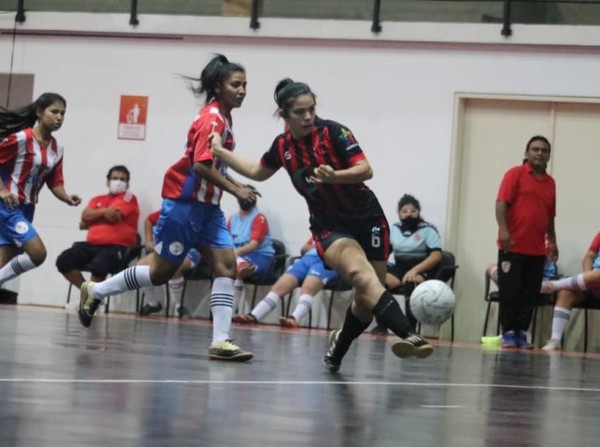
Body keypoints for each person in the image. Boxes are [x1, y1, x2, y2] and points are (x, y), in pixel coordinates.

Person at [210, 78, 433, 372]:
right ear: (285, 116)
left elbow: (366, 170)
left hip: (369, 220)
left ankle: (339, 344)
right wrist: (219, 151)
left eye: (311, 110)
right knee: (361, 275)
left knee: (367, 299)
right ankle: (410, 335)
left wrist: (335, 176)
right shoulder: (282, 147)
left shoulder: (334, 132)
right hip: (330, 227)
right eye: (299, 112)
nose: (307, 117)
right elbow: (256, 171)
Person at [77, 54, 258, 362]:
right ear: (218, 87)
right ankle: (97, 291)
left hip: (208, 210)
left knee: (227, 265)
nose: (242, 90)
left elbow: (214, 166)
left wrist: (238, 183)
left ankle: (221, 340)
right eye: (235, 84)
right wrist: (238, 189)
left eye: (245, 85)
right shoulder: (211, 119)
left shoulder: (225, 119)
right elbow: (201, 167)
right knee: (160, 273)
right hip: (184, 208)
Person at [0, 93, 81, 289]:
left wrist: (67, 198)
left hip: (28, 210)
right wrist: (2, 190)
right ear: (39, 112)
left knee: (4, 264)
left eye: (63, 113)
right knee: (38, 253)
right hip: (9, 206)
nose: (59, 117)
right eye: (54, 112)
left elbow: (55, 182)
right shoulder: (20, 139)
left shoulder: (57, 148)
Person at [495, 135, 558, 349]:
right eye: (535, 149)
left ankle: (522, 331)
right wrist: (503, 230)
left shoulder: (550, 183)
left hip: (537, 249)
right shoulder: (514, 175)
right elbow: (501, 203)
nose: (539, 153)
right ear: (526, 153)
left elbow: (550, 216)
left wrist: (553, 241)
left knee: (530, 292)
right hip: (512, 246)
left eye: (544, 150)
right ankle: (508, 332)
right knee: (510, 290)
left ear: (548, 155)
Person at [56, 165, 140, 291]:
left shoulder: (129, 197)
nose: (118, 182)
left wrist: (93, 219)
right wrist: (102, 213)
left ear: (127, 184)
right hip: (92, 245)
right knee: (64, 260)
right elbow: (84, 216)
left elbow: (113, 216)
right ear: (108, 181)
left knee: (99, 264)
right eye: (115, 178)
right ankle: (89, 293)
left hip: (117, 247)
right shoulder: (97, 199)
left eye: (122, 179)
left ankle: (90, 301)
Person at [370, 194, 443, 335]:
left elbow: (437, 255)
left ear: (418, 212)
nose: (409, 214)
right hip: (400, 267)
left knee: (411, 282)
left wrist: (415, 270)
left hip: (422, 267)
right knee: (380, 282)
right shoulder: (394, 229)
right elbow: (383, 254)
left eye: (413, 211)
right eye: (404, 211)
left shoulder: (428, 229)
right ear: (399, 214)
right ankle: (382, 325)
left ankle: (409, 329)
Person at [233, 236, 338, 328]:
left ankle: (294, 318)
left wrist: (322, 248)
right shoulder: (322, 228)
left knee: (308, 288)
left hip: (326, 262)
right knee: (278, 287)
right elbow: (304, 248)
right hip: (307, 259)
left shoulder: (344, 228)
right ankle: (253, 316)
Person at [540, 230, 600, 351]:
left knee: (597, 276)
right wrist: (588, 276)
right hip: (594, 281)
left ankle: (552, 285)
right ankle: (555, 340)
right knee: (566, 292)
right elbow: (588, 257)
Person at [138, 209, 198, 318]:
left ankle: (179, 307)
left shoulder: (198, 211)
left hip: (188, 251)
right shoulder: (169, 208)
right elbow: (149, 221)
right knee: (140, 267)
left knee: (175, 266)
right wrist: (149, 241)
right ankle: (153, 304)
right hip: (165, 250)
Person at [227, 190, 275, 312]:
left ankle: (231, 311)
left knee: (240, 270)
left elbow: (254, 245)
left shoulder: (259, 218)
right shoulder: (232, 219)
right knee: (223, 267)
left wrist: (235, 253)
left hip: (259, 256)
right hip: (238, 256)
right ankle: (223, 308)